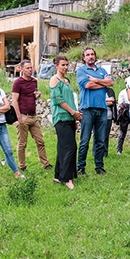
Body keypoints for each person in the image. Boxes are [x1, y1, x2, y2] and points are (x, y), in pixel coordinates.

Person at [76, 47, 115, 176]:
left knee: (100, 140)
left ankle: (99, 167)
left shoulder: (102, 70)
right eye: (87, 55)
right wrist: (103, 83)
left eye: (92, 54)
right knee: (85, 140)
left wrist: (96, 80)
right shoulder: (81, 70)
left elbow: (111, 82)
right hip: (87, 109)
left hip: (102, 108)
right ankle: (81, 167)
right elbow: (87, 85)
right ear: (84, 58)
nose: (90, 56)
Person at [12, 60, 51, 171]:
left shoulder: (34, 81)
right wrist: (19, 117)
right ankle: (22, 166)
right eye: (28, 68)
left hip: (33, 116)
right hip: (23, 116)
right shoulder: (18, 82)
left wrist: (37, 96)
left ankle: (45, 164)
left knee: (40, 141)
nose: (30, 70)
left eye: (31, 68)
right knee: (22, 143)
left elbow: (31, 96)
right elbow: (14, 100)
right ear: (22, 69)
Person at [50, 55, 81, 189]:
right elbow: (59, 100)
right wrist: (73, 112)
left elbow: (70, 99)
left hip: (69, 117)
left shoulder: (66, 81)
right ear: (56, 66)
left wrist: (75, 113)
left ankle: (58, 176)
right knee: (70, 147)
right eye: (62, 65)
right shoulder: (54, 80)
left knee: (62, 147)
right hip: (61, 117)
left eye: (67, 65)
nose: (65, 67)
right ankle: (67, 178)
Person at [101, 87, 117, 158]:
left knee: (106, 136)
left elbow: (112, 102)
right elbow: (96, 102)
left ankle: (105, 153)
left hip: (108, 116)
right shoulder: (97, 90)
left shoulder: (110, 91)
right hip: (99, 116)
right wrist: (107, 101)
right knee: (98, 135)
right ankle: (97, 152)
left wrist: (102, 101)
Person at [116, 88, 130, 155]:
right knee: (122, 132)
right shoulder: (122, 92)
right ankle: (119, 150)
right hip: (124, 113)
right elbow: (120, 104)